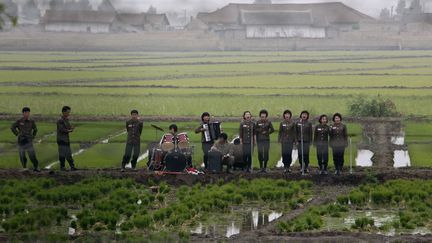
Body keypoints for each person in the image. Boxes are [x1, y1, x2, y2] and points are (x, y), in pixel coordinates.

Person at [10, 107, 40, 172]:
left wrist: (33, 136)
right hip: (21, 141)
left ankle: (36, 167)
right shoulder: (19, 121)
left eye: (28, 112)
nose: (27, 114)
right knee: (22, 155)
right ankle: (24, 167)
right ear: (23, 113)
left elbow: (35, 129)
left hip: (29, 141)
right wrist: (17, 134)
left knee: (32, 155)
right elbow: (12, 127)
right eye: (26, 112)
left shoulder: (31, 121)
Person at [57, 106, 77, 171]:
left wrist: (71, 128)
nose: (69, 114)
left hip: (66, 139)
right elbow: (62, 129)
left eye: (69, 112)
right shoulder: (60, 120)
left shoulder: (66, 120)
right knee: (62, 154)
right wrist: (69, 130)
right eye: (67, 112)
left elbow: (68, 127)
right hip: (61, 140)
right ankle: (63, 167)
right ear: (63, 112)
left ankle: (72, 166)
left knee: (68, 153)